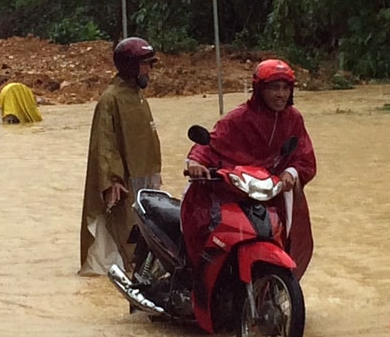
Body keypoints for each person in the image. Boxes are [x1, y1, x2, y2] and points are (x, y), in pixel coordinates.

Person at [182, 58, 316, 280]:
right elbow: (210, 144)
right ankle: (197, 276)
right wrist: (195, 163)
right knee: (205, 227)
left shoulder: (293, 119)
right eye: (274, 88)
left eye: (285, 88)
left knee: (291, 234)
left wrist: (291, 173)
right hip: (232, 191)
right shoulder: (239, 117)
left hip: (271, 193)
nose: (280, 94)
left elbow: (304, 155)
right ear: (260, 90)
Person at [78, 37, 162, 277]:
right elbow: (104, 144)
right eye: (146, 64)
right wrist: (112, 179)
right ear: (130, 66)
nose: (149, 70)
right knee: (126, 234)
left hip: (145, 178)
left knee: (145, 232)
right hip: (124, 181)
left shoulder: (137, 95)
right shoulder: (110, 99)